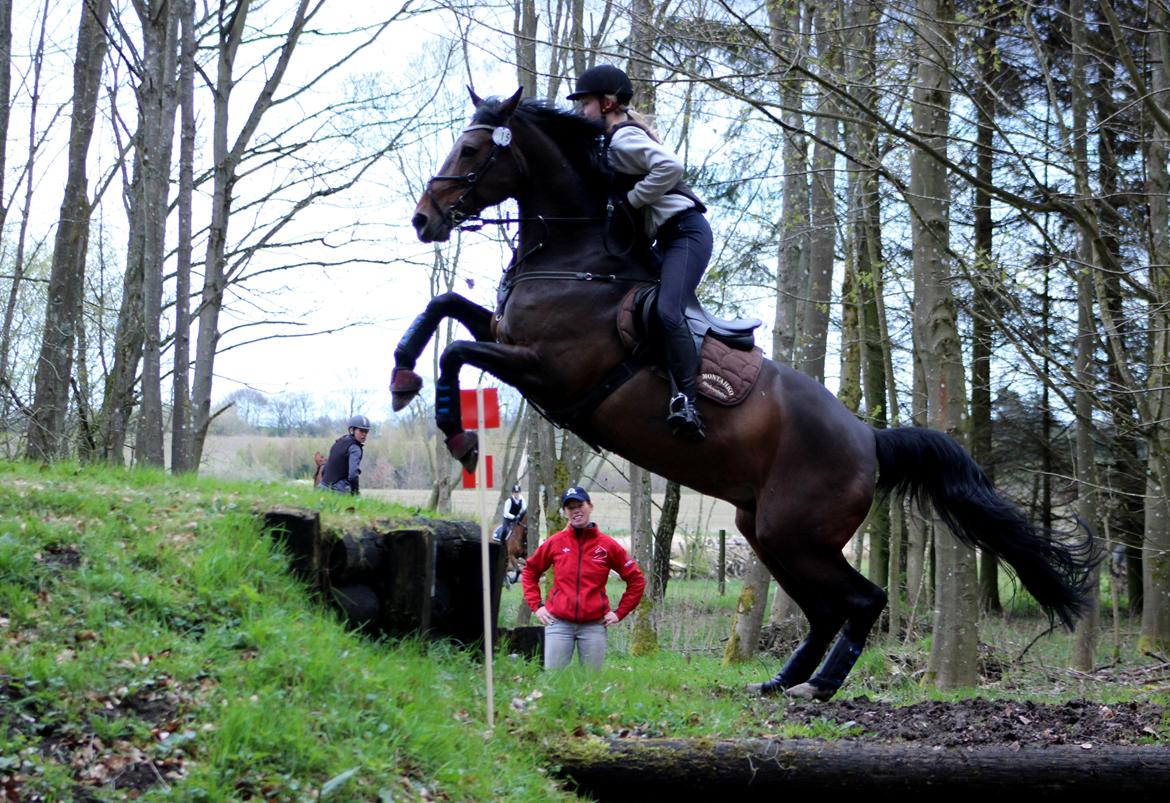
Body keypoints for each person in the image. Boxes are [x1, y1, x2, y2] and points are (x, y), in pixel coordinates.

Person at [568, 63, 713, 441]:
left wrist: (632, 200)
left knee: (667, 312)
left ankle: (687, 400)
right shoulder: (611, 141)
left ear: (606, 103)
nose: (581, 112)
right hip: (666, 240)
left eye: (584, 104)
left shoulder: (621, 139)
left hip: (686, 233)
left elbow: (670, 166)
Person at [521, 486, 645, 669]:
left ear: (590, 506)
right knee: (554, 681)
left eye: (580, 505)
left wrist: (619, 613)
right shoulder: (555, 542)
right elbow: (530, 571)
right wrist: (537, 606)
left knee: (591, 684)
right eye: (570, 507)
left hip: (594, 626)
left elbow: (637, 579)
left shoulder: (607, 545)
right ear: (565, 513)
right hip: (558, 623)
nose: (576, 510)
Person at [321, 415, 370, 495]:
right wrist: (355, 493)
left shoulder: (338, 442)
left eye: (366, 431)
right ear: (351, 430)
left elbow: (325, 469)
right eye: (361, 430)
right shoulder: (355, 448)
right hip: (338, 491)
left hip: (322, 487)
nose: (364, 434)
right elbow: (353, 475)